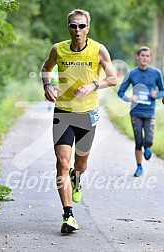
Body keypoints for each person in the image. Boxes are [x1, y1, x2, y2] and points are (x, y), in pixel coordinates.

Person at [41, 9, 117, 233]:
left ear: (88, 28)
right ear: (68, 28)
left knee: (80, 164)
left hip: (86, 114)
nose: (77, 30)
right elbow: (46, 68)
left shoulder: (98, 50)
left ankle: (77, 176)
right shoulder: (58, 49)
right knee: (62, 163)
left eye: (81, 26)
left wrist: (92, 86)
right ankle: (68, 215)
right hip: (63, 112)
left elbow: (112, 78)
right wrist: (47, 85)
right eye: (73, 26)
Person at [118, 46, 164, 177]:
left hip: (150, 112)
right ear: (137, 57)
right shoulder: (132, 73)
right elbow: (120, 92)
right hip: (136, 112)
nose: (145, 58)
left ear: (150, 58)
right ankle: (139, 167)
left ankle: (148, 147)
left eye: (147, 56)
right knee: (138, 141)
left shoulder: (156, 73)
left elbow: (163, 90)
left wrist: (157, 94)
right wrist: (129, 98)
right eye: (142, 55)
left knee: (148, 140)